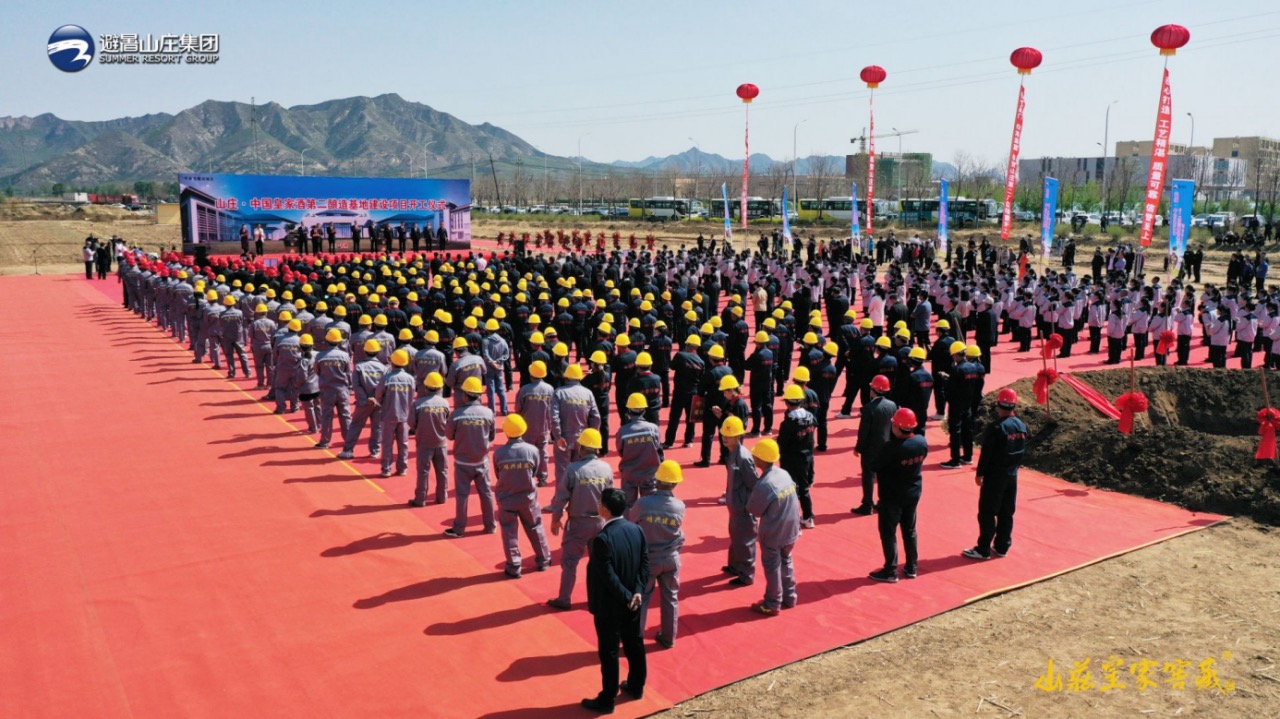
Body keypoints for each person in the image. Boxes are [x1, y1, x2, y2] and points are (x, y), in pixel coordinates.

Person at [580, 487, 648, 714]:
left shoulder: (602, 539)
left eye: (600, 502)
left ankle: (607, 699)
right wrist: (637, 592)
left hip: (610, 606)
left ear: (606, 510)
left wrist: (628, 596)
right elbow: (644, 563)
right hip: (633, 601)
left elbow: (607, 576)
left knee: (609, 652)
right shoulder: (636, 529)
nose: (597, 505)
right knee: (634, 644)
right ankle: (636, 686)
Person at [548, 427, 613, 611]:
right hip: (600, 523)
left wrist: (555, 519)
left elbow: (561, 498)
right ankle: (598, 599)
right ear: (597, 449)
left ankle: (564, 598)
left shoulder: (573, 469)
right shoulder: (606, 469)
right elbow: (611, 497)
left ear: (582, 448)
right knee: (598, 563)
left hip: (577, 523)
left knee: (570, 562)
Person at [627, 460, 685, 649]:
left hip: (648, 559)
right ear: (675, 484)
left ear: (657, 481)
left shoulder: (643, 503)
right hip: (671, 558)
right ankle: (668, 638)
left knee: (641, 598)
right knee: (671, 598)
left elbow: (632, 524)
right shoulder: (679, 506)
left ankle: (635, 640)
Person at [964, 389, 1027, 561]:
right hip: (1012, 475)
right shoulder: (1021, 426)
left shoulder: (996, 427)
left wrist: (980, 473)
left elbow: (987, 454)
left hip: (995, 476)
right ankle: (1002, 546)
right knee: (1006, 512)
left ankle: (983, 549)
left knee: (987, 512)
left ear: (998, 404)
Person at [870, 408, 928, 583]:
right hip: (913, 492)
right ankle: (912, 566)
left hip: (892, 497)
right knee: (910, 530)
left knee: (888, 533)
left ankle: (890, 570)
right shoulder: (921, 442)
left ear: (896, 427)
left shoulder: (891, 448)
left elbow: (874, 466)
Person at [493, 413, 552, 578]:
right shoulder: (532, 450)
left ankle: (514, 566)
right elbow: (535, 471)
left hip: (506, 498)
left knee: (509, 532)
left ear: (506, 432)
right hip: (528, 497)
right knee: (535, 527)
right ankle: (544, 560)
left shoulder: (499, 453)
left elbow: (498, 474)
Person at [745, 439, 800, 616]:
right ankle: (790, 597)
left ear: (761, 459)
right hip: (791, 529)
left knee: (772, 567)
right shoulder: (783, 474)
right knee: (786, 561)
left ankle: (772, 603)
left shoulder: (764, 484)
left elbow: (754, 510)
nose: (753, 457)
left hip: (774, 533)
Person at [444, 376, 497, 537]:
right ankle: (490, 525)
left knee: (462, 496)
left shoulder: (456, 414)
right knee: (486, 493)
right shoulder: (488, 413)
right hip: (482, 461)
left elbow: (450, 436)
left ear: (465, 395)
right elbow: (492, 436)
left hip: (462, 462)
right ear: (479, 395)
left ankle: (459, 529)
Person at [853, 375, 896, 515]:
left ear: (873, 389)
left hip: (870, 448)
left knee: (868, 476)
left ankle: (867, 504)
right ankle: (882, 502)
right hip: (886, 445)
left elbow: (863, 431)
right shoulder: (892, 405)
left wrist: (858, 447)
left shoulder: (868, 408)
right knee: (883, 475)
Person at [777, 384, 817, 528]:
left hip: (790, 460)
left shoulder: (788, 423)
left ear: (787, 403)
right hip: (806, 458)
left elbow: (782, 443)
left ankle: (793, 520)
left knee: (791, 490)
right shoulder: (811, 417)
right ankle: (808, 517)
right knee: (804, 489)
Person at [409, 372, 450, 506]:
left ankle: (420, 499)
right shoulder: (445, 403)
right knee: (442, 471)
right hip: (441, 443)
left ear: (426, 387)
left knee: (423, 472)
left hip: (424, 443)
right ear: (440, 388)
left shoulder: (418, 404)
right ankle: (442, 497)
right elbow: (448, 422)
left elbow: (411, 423)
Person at [374, 349, 416, 478]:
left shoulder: (387, 378)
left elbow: (378, 396)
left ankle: (386, 469)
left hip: (388, 415)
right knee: (403, 443)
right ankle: (402, 468)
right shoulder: (410, 379)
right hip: (405, 416)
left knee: (387, 443)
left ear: (392, 362)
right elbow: (411, 396)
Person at [617, 393, 663, 508]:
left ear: (629, 410)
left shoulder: (623, 431)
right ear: (644, 411)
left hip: (629, 474)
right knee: (649, 506)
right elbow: (657, 446)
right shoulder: (653, 428)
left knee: (628, 506)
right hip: (649, 474)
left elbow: (621, 451)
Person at [515, 360, 555, 487]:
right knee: (543, 453)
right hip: (544, 427)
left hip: (527, 428)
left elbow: (517, 408)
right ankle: (542, 477)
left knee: (527, 453)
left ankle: (528, 477)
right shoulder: (550, 389)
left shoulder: (524, 390)